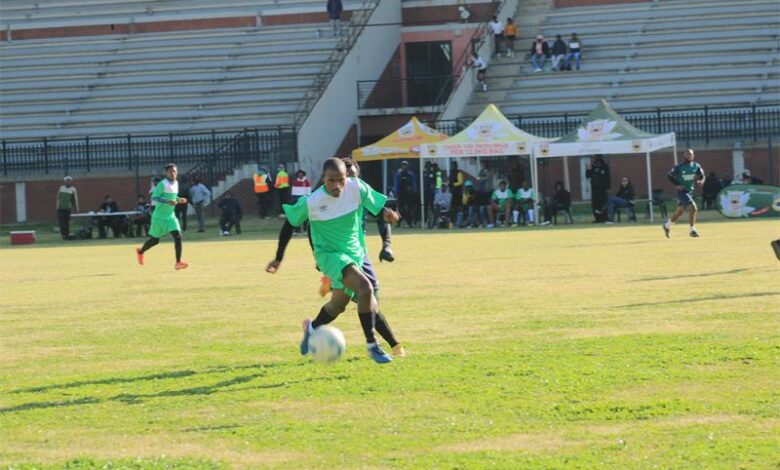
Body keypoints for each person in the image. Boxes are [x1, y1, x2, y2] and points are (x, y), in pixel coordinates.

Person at [269, 158, 403, 363]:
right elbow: (289, 225)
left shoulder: (357, 188)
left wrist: (388, 215)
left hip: (355, 254)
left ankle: (312, 329)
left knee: (338, 305)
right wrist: (278, 258)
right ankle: (372, 345)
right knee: (365, 288)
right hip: (329, 255)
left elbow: (380, 208)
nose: (337, 185)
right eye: (331, 180)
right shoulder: (312, 201)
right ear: (324, 179)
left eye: (341, 179)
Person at [136, 163, 189, 270]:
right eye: (170, 171)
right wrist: (167, 201)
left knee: (178, 237)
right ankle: (140, 251)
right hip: (159, 217)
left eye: (174, 171)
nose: (173, 173)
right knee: (155, 240)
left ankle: (178, 262)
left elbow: (173, 196)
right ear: (166, 173)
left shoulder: (176, 183)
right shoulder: (162, 184)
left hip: (170, 216)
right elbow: (155, 197)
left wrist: (179, 199)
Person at [663, 149, 705, 238]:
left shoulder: (696, 166)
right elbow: (669, 175)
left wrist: (701, 181)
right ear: (684, 156)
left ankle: (667, 225)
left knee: (679, 212)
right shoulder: (679, 167)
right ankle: (692, 230)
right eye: (688, 154)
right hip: (682, 192)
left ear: (693, 156)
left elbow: (702, 175)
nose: (689, 156)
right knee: (693, 207)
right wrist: (677, 184)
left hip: (690, 191)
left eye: (691, 154)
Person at [393, 161, 418, 228]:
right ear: (401, 166)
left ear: (408, 166)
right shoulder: (398, 174)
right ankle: (398, 223)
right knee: (400, 209)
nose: (404, 166)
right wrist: (396, 192)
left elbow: (414, 183)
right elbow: (396, 183)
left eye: (405, 165)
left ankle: (409, 223)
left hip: (409, 194)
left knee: (409, 209)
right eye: (403, 165)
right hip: (400, 194)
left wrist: (414, 191)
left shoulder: (410, 174)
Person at [586, 155, 610, 222]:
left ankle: (604, 217)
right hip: (594, 188)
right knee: (595, 204)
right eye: (596, 157)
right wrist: (588, 169)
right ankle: (597, 218)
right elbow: (588, 176)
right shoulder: (593, 166)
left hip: (602, 188)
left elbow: (608, 177)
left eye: (599, 157)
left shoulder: (605, 166)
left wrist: (607, 186)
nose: (597, 159)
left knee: (603, 203)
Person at [56, 176, 79, 240]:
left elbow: (74, 199)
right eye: (66, 180)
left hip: (68, 208)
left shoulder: (73, 189)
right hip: (60, 208)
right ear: (64, 181)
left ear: (71, 181)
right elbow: (58, 198)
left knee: (66, 222)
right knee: (61, 223)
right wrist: (57, 207)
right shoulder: (61, 188)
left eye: (69, 181)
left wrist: (76, 208)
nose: (68, 182)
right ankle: (63, 235)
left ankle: (67, 235)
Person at [291, 169, 312, 233]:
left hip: (305, 201)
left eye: (301, 174)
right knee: (298, 216)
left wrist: (307, 200)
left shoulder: (307, 182)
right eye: (299, 174)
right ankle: (297, 230)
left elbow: (309, 193)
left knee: (305, 216)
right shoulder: (295, 182)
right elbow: (293, 192)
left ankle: (305, 230)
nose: (300, 175)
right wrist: (294, 202)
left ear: (303, 174)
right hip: (297, 201)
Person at [449, 160, 465, 225]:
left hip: (458, 192)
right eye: (452, 165)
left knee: (459, 207)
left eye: (454, 165)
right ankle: (453, 222)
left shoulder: (459, 173)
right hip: (452, 193)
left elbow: (461, 182)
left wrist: (453, 184)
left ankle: (459, 222)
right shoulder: (451, 173)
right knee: (452, 208)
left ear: (456, 166)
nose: (453, 166)